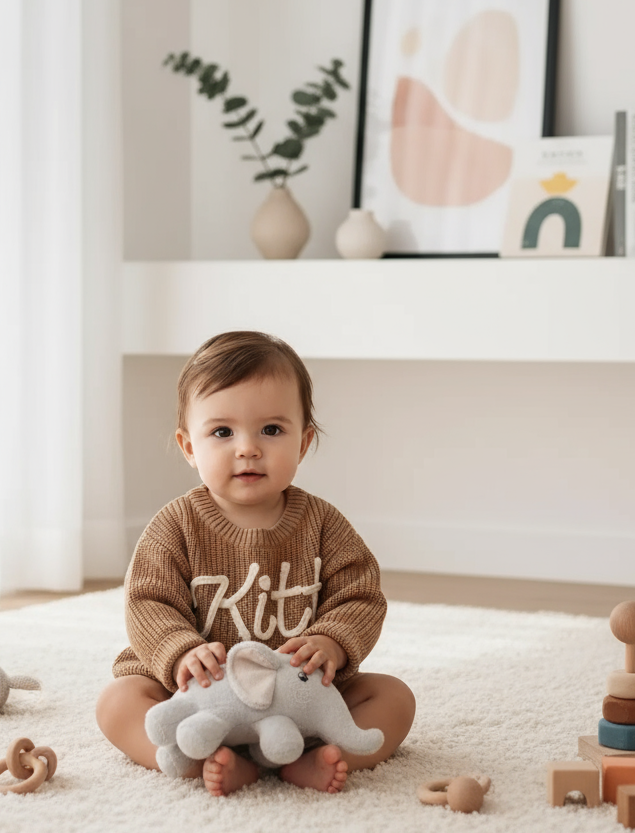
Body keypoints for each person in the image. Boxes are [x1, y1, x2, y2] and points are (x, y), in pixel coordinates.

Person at [95, 330, 415, 797]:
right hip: (200, 701)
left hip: (299, 702)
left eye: (271, 430)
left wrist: (332, 641)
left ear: (303, 443)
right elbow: (148, 602)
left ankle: (311, 761)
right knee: (117, 702)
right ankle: (193, 759)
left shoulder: (323, 524)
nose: (248, 448)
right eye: (222, 432)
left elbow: (360, 594)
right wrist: (182, 649)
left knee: (393, 698)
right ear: (189, 447)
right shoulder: (175, 526)